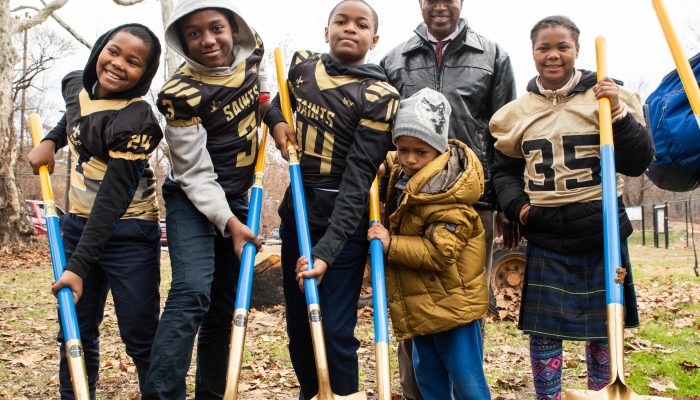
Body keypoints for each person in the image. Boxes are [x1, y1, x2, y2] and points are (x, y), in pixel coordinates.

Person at [489, 16, 654, 400]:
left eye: (562, 46)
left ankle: (603, 391)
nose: (553, 55)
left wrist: (617, 113)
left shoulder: (608, 96)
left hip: (603, 229)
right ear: (532, 52)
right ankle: (549, 396)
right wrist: (521, 209)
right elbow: (504, 172)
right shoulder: (515, 114)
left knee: (603, 327)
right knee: (544, 333)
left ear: (576, 50)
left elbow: (637, 160)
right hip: (547, 230)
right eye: (544, 47)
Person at [262, 0, 400, 398]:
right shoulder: (303, 66)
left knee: (336, 327)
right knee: (299, 327)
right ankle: (313, 392)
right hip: (299, 210)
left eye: (361, 25)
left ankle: (343, 393)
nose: (349, 29)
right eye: (340, 21)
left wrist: (325, 252)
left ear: (374, 39)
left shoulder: (379, 94)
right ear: (326, 31)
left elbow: (359, 177)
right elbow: (273, 107)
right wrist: (277, 123)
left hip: (346, 220)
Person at [380, 2, 518, 396]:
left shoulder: (492, 56)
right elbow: (383, 137)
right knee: (416, 305)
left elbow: (505, 135)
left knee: (460, 302)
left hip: (474, 202)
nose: (440, 4)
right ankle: (418, 393)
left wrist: (505, 201)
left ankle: (467, 389)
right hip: (409, 204)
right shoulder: (394, 60)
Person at [27, 24, 163, 399]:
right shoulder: (75, 84)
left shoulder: (137, 120)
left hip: (128, 232)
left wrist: (77, 266)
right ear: (100, 48)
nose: (118, 64)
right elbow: (74, 115)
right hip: (76, 226)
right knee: (74, 329)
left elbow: (112, 200)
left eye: (133, 62)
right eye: (113, 51)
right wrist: (51, 141)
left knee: (139, 333)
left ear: (145, 75)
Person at [141, 1, 266, 398]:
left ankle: (212, 395)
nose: (208, 40)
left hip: (239, 196)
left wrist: (274, 117)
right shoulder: (180, 94)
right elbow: (195, 174)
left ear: (236, 30)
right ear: (182, 40)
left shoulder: (254, 53)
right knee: (193, 289)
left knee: (225, 308)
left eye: (216, 28)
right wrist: (228, 223)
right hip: (191, 200)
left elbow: (262, 93)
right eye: (194, 33)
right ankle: (161, 394)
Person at [368, 88, 491, 400]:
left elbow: (440, 252)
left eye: (420, 152)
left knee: (468, 382)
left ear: (438, 151)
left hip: (454, 307)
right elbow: (393, 161)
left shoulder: (450, 194)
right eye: (403, 148)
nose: (410, 158)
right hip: (421, 306)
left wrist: (390, 244)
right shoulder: (406, 171)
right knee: (429, 381)